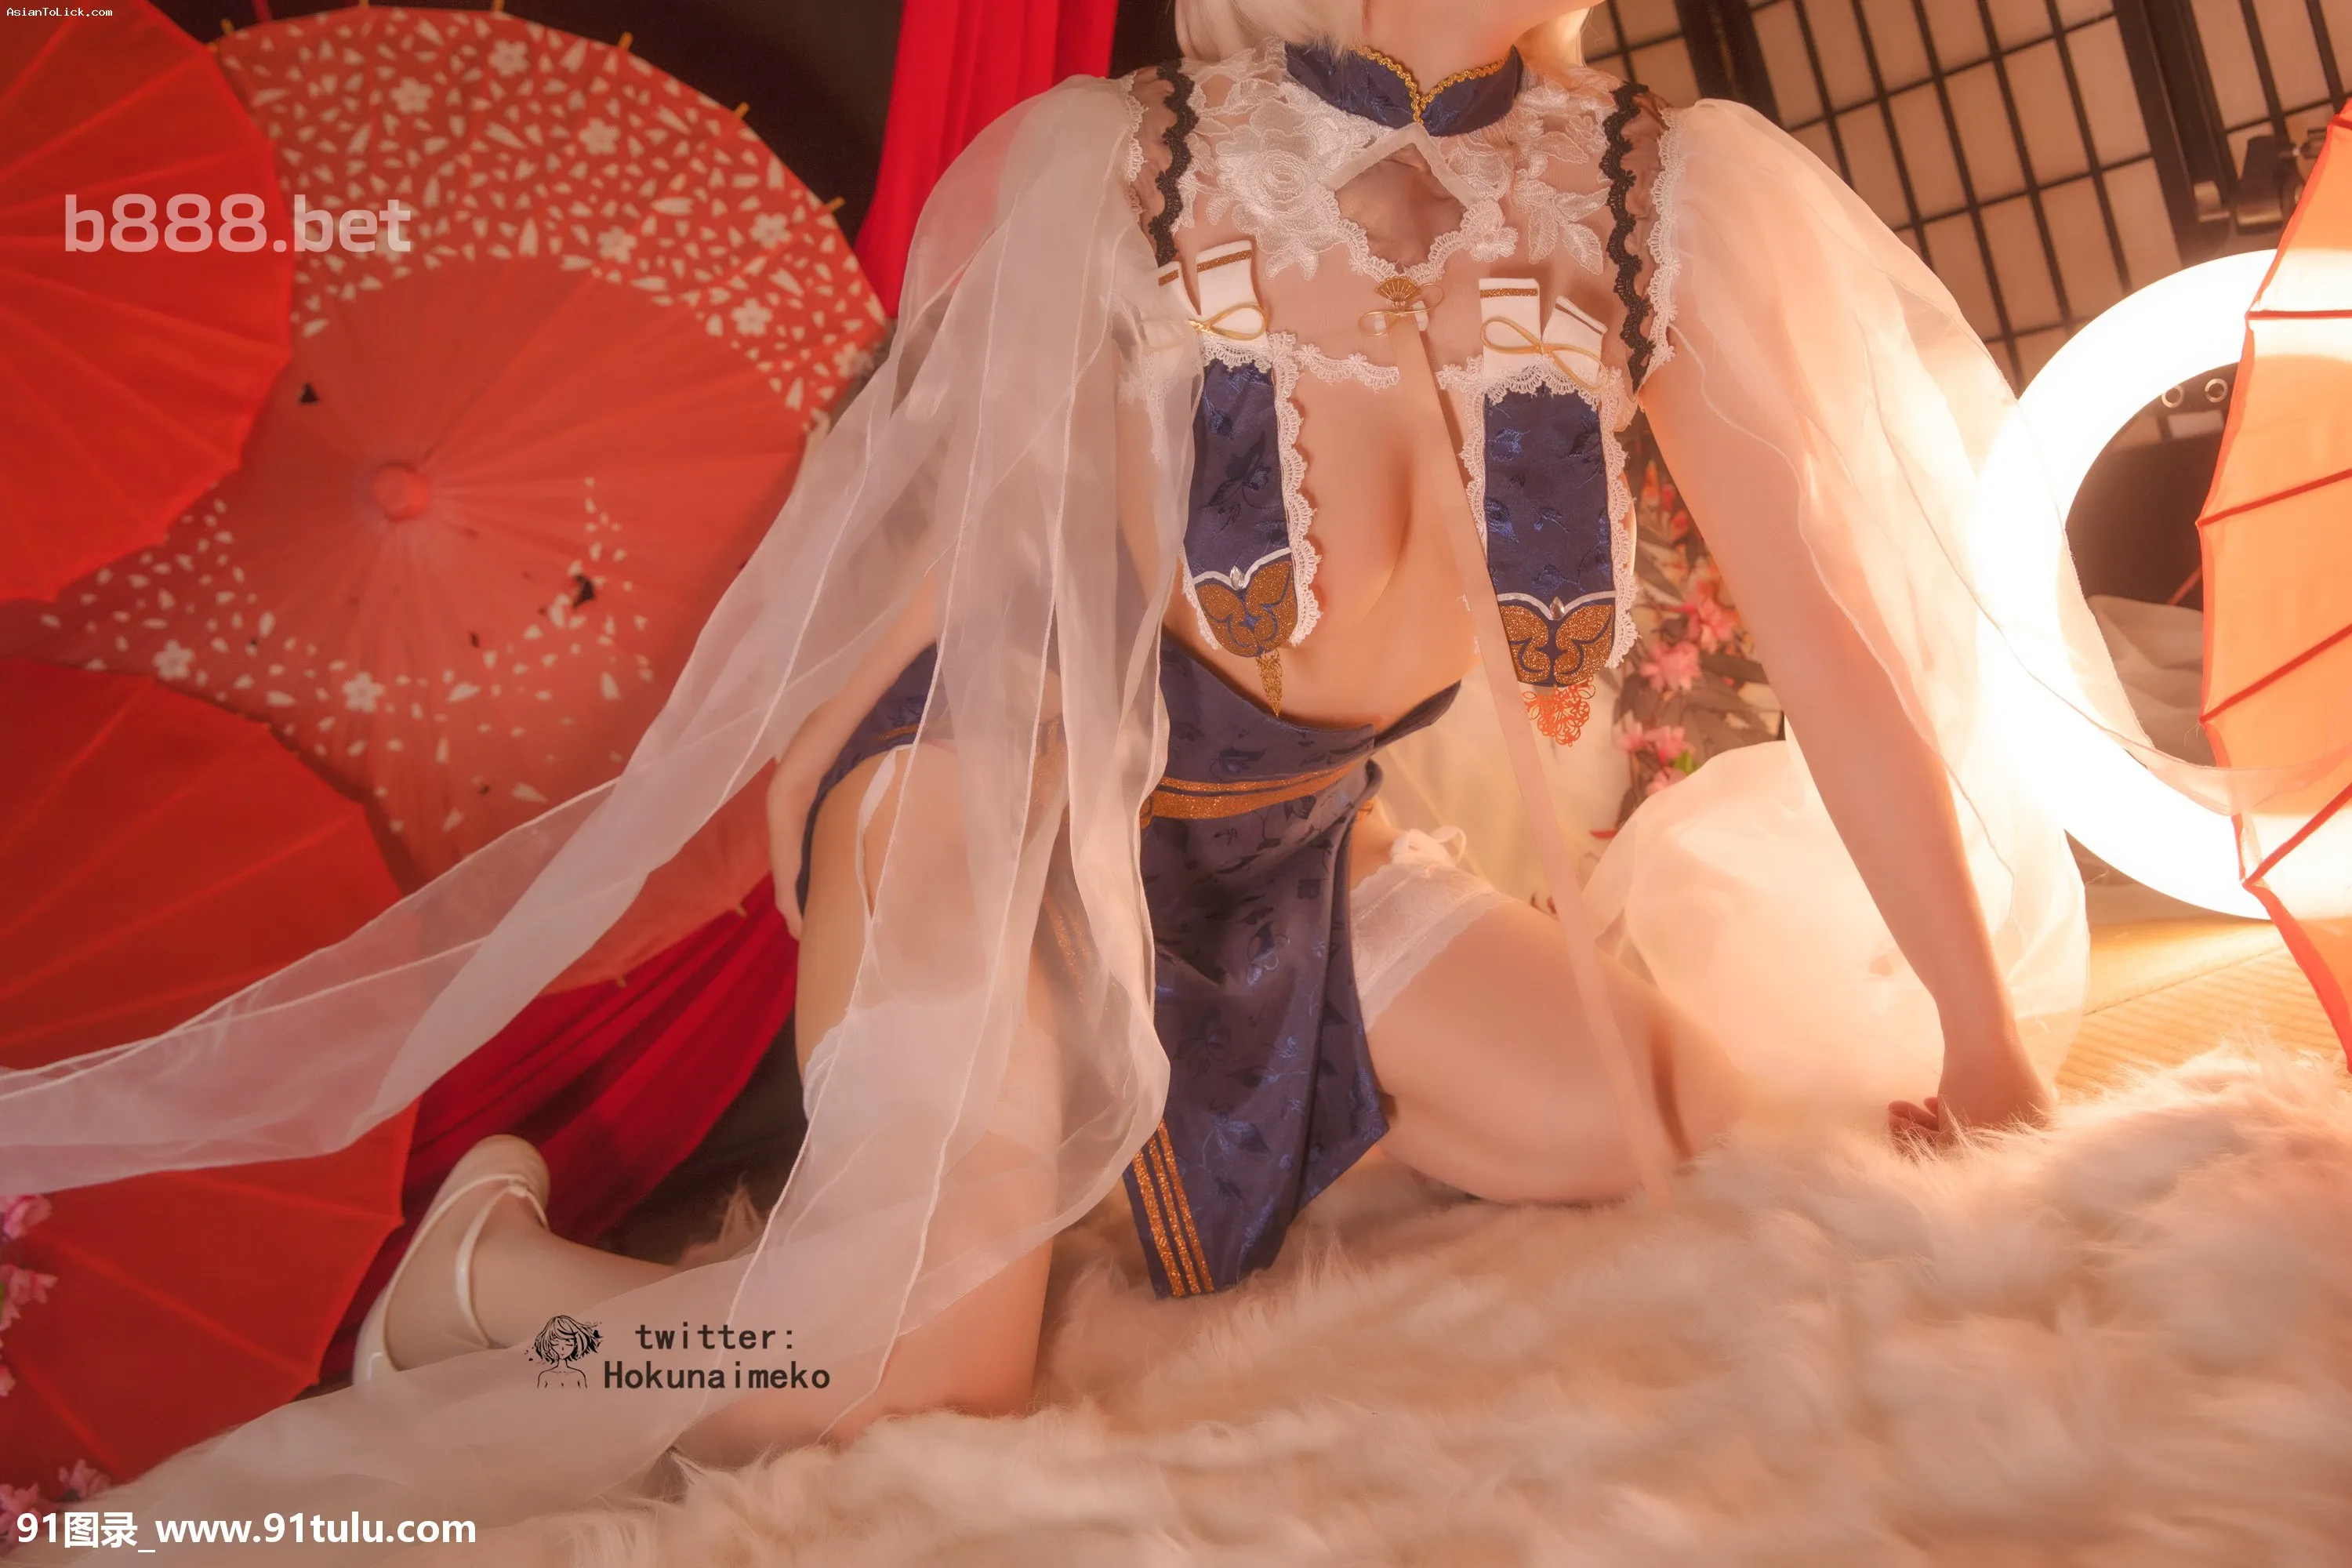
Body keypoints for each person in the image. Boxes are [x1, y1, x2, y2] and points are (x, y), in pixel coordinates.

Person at [0, 0, 2096, 1548]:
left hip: (1289, 838)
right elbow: (936, 580)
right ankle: (499, 1287)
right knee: (910, 1386)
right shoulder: (1116, 172)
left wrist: (1987, 1047)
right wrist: (920, 917)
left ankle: (1114, 1161)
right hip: (989, 795)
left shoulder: (1659, 199)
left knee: (1683, 1137)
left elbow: (1837, 654)